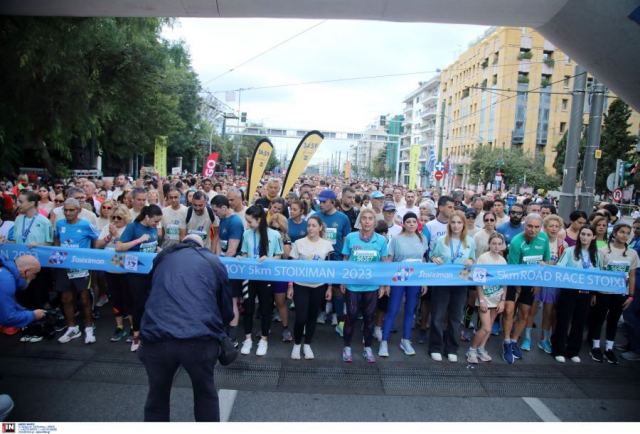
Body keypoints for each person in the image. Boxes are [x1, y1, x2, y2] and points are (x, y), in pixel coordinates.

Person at [139, 234, 233, 422]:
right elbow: (226, 307)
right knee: (205, 393)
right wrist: (221, 332)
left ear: (182, 244)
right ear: (202, 245)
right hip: (200, 338)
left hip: (158, 336)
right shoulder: (212, 261)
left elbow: (148, 292)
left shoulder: (163, 257)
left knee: (157, 395)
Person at [340, 208, 389, 363]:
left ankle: (367, 348)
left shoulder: (381, 240)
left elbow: (384, 263)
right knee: (352, 315)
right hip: (353, 285)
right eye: (364, 218)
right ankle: (347, 347)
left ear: (374, 222)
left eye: (370, 219)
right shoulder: (350, 237)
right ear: (359, 221)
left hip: (372, 286)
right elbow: (345, 260)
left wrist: (383, 285)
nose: (367, 221)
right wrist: (343, 280)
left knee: (369, 318)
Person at [378, 212, 428, 358]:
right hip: (399, 277)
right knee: (393, 309)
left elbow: (423, 260)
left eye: (414, 221)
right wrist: (386, 283)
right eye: (408, 222)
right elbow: (389, 260)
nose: (411, 224)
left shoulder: (422, 238)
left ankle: (406, 340)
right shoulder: (396, 239)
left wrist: (423, 281)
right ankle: (384, 341)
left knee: (410, 310)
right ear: (404, 224)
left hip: (415, 278)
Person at [502, 213, 550, 364]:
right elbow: (513, 269)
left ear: (540, 227)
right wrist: (517, 289)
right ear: (525, 225)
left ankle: (515, 340)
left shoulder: (544, 238)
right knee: (509, 311)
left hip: (532, 281)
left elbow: (546, 261)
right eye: (530, 226)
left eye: (536, 227)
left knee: (524, 313)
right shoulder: (517, 242)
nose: (533, 230)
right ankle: (507, 341)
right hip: (514, 281)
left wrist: (538, 283)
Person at [429, 210, 476, 362]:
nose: (456, 226)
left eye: (459, 223)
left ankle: (451, 348)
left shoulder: (470, 241)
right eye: (453, 222)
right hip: (442, 283)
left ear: (464, 225)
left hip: (460, 284)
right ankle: (435, 347)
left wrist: (471, 262)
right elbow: (433, 256)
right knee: (438, 316)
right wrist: (435, 259)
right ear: (449, 224)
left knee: (456, 317)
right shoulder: (442, 240)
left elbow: (472, 260)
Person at [588, 223, 638, 364]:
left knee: (613, 321)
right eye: (622, 232)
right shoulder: (603, 251)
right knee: (599, 319)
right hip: (603, 292)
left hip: (620, 293)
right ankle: (596, 346)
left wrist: (631, 295)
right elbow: (597, 273)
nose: (625, 235)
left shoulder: (632, 253)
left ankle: (609, 348)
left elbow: (632, 275)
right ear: (615, 233)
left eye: (628, 233)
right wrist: (594, 293)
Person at [116, 204, 163, 352]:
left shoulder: (153, 228)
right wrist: (139, 240)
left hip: (151, 273)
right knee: (138, 304)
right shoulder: (133, 227)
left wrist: (159, 250)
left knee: (152, 303)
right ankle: (136, 335)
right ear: (147, 217)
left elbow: (152, 245)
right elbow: (119, 247)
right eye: (155, 221)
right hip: (135, 273)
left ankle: (150, 333)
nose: (157, 224)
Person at [552, 225, 601, 363]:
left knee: (579, 322)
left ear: (593, 237)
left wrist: (594, 294)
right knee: (563, 320)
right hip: (569, 291)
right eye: (583, 234)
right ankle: (558, 349)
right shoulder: (569, 251)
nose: (585, 237)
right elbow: (560, 269)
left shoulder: (596, 254)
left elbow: (598, 274)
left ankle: (573, 351)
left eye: (588, 235)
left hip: (586, 293)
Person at [239, 205, 283, 357]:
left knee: (265, 309)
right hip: (249, 277)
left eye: (250, 221)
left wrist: (268, 259)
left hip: (267, 277)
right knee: (248, 308)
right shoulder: (246, 234)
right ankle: (247, 339)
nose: (248, 224)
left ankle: (264, 339)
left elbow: (279, 255)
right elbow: (244, 253)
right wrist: (241, 258)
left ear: (259, 220)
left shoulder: (274, 235)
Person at [54, 198, 99, 345]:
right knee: (66, 298)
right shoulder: (60, 224)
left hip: (82, 268)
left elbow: (96, 242)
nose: (67, 213)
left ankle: (88, 327)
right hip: (64, 267)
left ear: (78, 210)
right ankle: (72, 328)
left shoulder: (86, 225)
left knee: (85, 299)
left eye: (71, 210)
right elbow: (56, 240)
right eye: (65, 210)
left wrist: (91, 260)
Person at [288, 215, 334, 360]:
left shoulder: (327, 245)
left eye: (314, 225)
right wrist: (290, 286)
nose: (310, 228)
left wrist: (329, 288)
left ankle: (307, 344)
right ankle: (296, 344)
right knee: (301, 317)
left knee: (312, 317)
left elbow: (331, 269)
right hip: (300, 285)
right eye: (308, 225)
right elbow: (291, 267)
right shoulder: (298, 243)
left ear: (320, 228)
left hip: (319, 286)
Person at [466, 233, 507, 363]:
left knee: (489, 327)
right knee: (486, 327)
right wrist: (481, 299)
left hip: (496, 298)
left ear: (502, 245)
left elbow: (505, 283)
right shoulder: (483, 258)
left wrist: (502, 300)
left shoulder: (503, 260)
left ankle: (481, 349)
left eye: (499, 244)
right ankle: (471, 350)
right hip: (485, 298)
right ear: (489, 244)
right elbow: (478, 281)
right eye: (494, 243)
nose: (496, 246)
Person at [96, 204, 133, 342]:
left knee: (128, 300)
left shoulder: (130, 228)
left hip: (125, 270)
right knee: (116, 299)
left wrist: (116, 236)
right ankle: (119, 327)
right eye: (113, 217)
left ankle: (133, 327)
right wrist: (108, 236)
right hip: (111, 269)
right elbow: (97, 245)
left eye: (119, 218)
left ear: (126, 218)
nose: (116, 220)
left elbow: (124, 247)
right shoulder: (108, 227)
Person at [268, 213, 293, 341]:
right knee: (266, 303)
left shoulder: (286, 239)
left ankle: (285, 328)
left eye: (278, 229)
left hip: (280, 275)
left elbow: (287, 256)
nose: (275, 231)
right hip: (267, 274)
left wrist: (280, 240)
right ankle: (264, 328)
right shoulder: (265, 237)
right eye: (272, 228)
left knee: (280, 303)